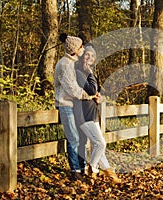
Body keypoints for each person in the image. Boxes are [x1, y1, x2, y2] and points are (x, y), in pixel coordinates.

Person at [73, 44, 121, 184]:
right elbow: (91, 89)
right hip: (83, 113)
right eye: (87, 54)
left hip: (92, 112)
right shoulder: (79, 72)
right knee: (100, 143)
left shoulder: (89, 72)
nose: (90, 57)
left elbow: (97, 92)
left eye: (93, 56)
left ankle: (110, 174)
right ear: (82, 55)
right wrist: (91, 78)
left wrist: (101, 98)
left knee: (97, 145)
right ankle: (92, 169)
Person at [54, 33, 95, 181]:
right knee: (74, 138)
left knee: (82, 138)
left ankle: (82, 167)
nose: (83, 48)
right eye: (80, 46)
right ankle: (75, 171)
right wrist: (87, 96)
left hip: (75, 105)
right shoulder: (65, 64)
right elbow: (71, 88)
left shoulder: (74, 63)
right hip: (66, 105)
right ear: (75, 49)